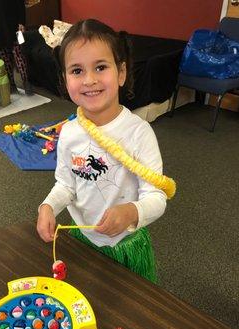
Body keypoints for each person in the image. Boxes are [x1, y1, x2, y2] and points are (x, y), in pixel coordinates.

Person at [37, 19, 176, 282]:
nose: (89, 80)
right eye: (77, 71)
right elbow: (66, 184)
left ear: (121, 72)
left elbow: (156, 198)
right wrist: (49, 206)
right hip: (83, 240)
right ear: (65, 79)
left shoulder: (139, 133)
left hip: (126, 245)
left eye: (100, 67)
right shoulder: (68, 133)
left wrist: (132, 212)